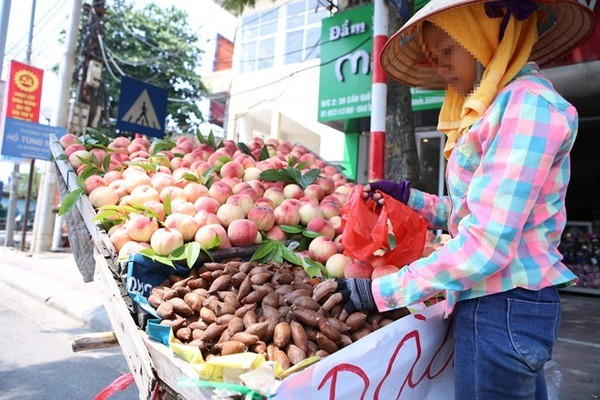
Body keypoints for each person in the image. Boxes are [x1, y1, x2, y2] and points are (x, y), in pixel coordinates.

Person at [332, 0, 595, 399]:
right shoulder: (499, 107)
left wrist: (380, 292)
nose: (440, 69)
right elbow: (471, 215)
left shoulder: (528, 107)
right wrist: (409, 198)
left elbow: (487, 244)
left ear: (485, 38)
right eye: (434, 57)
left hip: (502, 307)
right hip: (494, 307)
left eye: (448, 52)